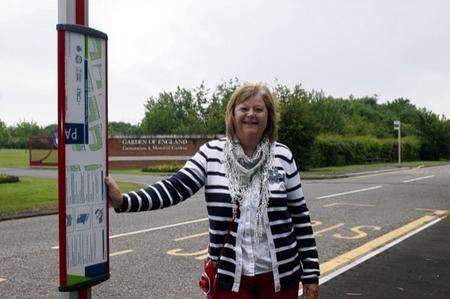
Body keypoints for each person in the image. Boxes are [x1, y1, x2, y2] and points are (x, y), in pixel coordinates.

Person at [105, 83, 320, 298]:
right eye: (243, 109)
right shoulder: (211, 154)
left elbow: (300, 217)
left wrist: (310, 274)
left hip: (281, 279)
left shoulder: (282, 156)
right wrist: (124, 201)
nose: (250, 115)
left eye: (258, 109)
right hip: (229, 280)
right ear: (232, 115)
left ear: (269, 117)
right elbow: (175, 187)